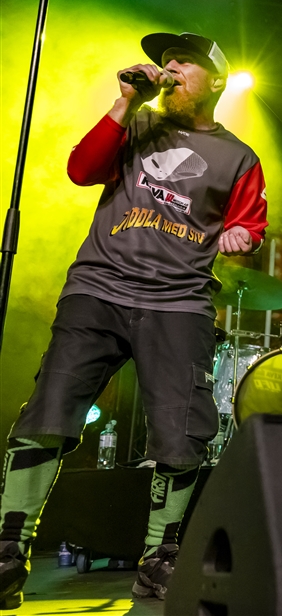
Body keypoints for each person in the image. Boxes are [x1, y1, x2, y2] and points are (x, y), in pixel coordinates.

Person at [0, 32, 267, 608]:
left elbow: (249, 225)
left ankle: (159, 560)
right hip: (98, 286)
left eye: (183, 63)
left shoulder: (239, 156)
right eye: (164, 60)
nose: (168, 69)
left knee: (181, 432)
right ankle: (7, 552)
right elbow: (81, 170)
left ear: (215, 80)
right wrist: (124, 103)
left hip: (179, 301)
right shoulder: (138, 126)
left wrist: (241, 236)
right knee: (49, 410)